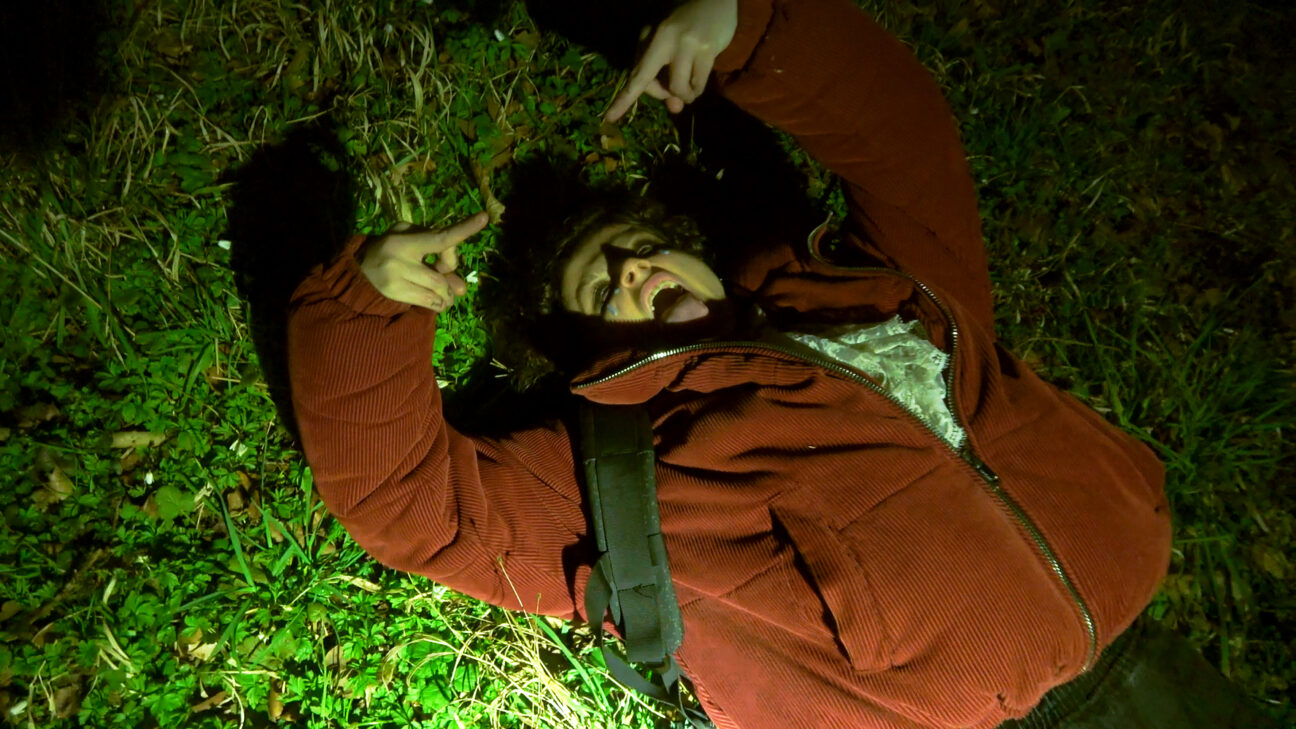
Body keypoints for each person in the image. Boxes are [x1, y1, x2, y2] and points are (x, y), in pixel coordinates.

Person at [286, 0, 1279, 727]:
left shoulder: (872, 283)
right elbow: (418, 507)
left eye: (641, 246)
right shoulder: (635, 465)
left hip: (1152, 659)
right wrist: (368, 309)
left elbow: (904, 136)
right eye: (602, 288)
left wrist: (749, 30)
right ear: (587, 351)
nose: (634, 270)